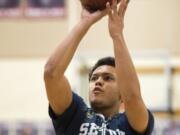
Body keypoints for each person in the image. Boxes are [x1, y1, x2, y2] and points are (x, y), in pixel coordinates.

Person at [44, 0, 154, 134]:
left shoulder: (131, 124)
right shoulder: (74, 115)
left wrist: (117, 35)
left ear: (121, 94)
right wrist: (84, 23)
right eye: (94, 78)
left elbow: (132, 97)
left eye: (108, 78)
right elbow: (51, 74)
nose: (98, 82)